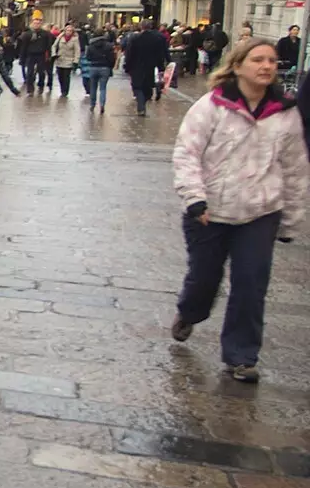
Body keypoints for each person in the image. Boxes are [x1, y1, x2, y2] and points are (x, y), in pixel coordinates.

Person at [172, 38, 308, 382]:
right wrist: (194, 198)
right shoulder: (211, 106)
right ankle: (190, 312)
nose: (266, 66)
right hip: (210, 210)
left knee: (251, 283)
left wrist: (291, 218)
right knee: (205, 279)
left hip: (260, 211)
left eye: (272, 61)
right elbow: (187, 153)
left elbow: (295, 167)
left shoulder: (285, 111)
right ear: (237, 65)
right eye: (258, 60)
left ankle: (241, 356)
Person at [125, 19, 170, 117]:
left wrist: (127, 66)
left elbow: (129, 53)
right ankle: (142, 104)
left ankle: (141, 106)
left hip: (136, 66)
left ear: (141, 27)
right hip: (150, 66)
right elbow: (161, 53)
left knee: (137, 86)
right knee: (147, 87)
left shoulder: (135, 38)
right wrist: (162, 66)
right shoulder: (157, 38)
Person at [82, 29, 117, 114]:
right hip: (105, 68)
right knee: (103, 88)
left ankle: (92, 104)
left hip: (93, 67)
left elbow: (88, 57)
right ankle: (102, 105)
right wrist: (110, 67)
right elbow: (112, 58)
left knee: (93, 87)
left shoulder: (91, 45)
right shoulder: (108, 45)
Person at [18, 20, 50, 95]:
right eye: (35, 23)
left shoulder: (45, 34)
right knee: (30, 72)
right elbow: (23, 46)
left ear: (41, 25)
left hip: (41, 54)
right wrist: (22, 58)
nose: (36, 25)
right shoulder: (27, 34)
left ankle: (41, 84)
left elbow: (48, 45)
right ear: (32, 24)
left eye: (38, 23)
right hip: (31, 55)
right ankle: (30, 89)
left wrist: (49, 55)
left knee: (41, 72)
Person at [52, 24, 80, 97]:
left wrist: (75, 61)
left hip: (69, 60)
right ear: (65, 31)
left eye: (70, 31)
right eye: (67, 30)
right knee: (60, 76)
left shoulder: (75, 39)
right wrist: (54, 54)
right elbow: (54, 46)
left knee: (66, 77)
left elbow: (77, 51)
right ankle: (62, 89)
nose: (68, 32)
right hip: (59, 59)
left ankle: (65, 91)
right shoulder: (60, 37)